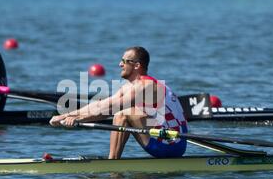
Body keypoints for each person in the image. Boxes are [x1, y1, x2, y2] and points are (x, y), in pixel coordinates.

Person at [50, 46, 188, 159]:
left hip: (172, 144)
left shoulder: (146, 86)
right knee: (121, 111)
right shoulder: (129, 87)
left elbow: (110, 109)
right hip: (158, 139)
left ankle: (112, 163)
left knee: (123, 113)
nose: (120, 64)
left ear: (137, 65)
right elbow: (101, 105)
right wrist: (65, 116)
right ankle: (113, 162)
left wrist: (77, 119)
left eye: (124, 61)